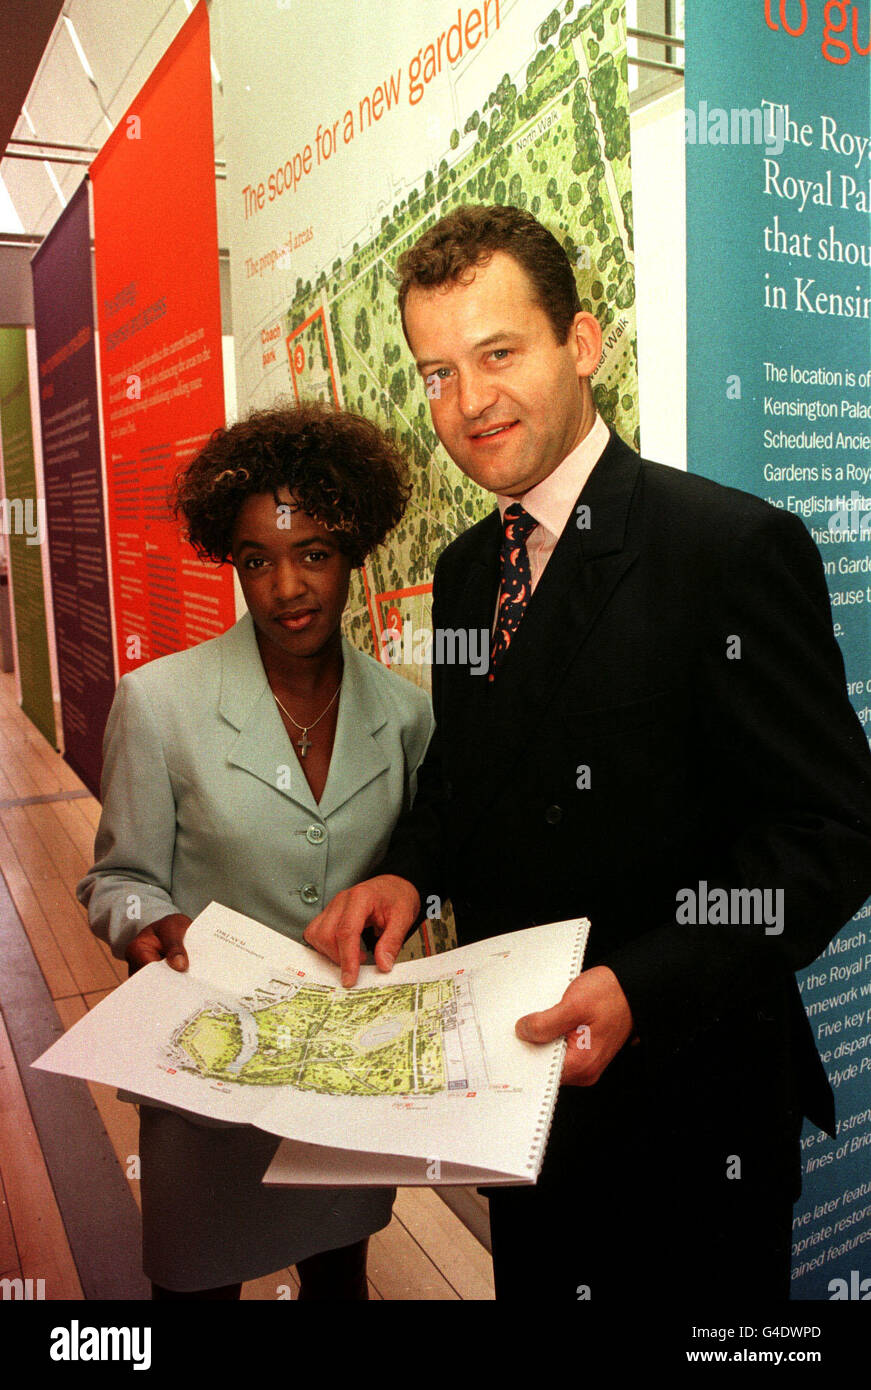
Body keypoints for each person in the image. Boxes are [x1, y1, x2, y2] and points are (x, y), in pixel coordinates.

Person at [304, 204, 871, 1302]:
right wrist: (408, 871)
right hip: (524, 1103)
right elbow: (466, 776)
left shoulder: (726, 551)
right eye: (435, 374)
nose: (467, 403)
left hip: (690, 1118)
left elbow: (830, 835)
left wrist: (640, 986)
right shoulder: (471, 570)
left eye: (498, 353)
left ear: (584, 343)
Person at [77, 401, 433, 1300]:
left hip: (345, 1073)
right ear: (230, 565)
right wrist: (143, 919)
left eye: (313, 553)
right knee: (194, 1288)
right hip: (206, 1073)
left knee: (339, 1277)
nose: (286, 589)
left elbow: (414, 875)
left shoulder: (405, 717)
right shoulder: (158, 705)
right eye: (256, 562)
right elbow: (116, 877)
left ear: (353, 551)